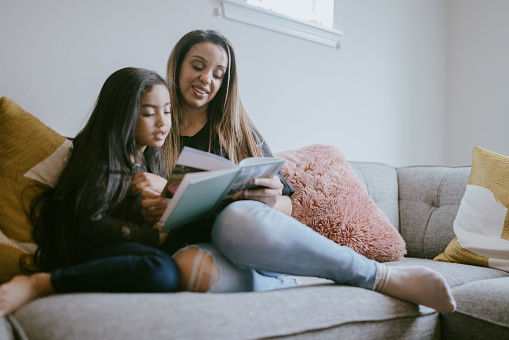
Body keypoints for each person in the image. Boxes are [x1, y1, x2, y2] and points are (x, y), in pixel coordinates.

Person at [136, 30, 457, 313]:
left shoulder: (236, 130)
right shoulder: (153, 127)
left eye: (219, 74)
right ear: (177, 65)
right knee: (187, 270)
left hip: (244, 234)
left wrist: (271, 199)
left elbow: (286, 205)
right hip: (192, 246)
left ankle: (378, 275)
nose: (207, 79)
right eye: (197, 66)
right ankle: (289, 283)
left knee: (234, 220)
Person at [0, 67, 179, 317]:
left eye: (168, 111)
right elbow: (89, 222)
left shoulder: (149, 161)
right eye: (149, 113)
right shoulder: (103, 161)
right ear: (121, 116)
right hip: (91, 253)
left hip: (123, 250)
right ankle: (42, 283)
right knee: (162, 270)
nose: (163, 121)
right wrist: (152, 238)